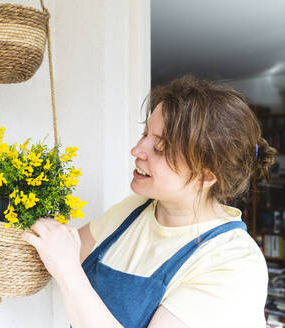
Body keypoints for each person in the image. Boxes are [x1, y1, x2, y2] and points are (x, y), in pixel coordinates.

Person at [22, 75, 278, 328]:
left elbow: (67, 264)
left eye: (161, 147)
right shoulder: (134, 209)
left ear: (206, 174)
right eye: (145, 133)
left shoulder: (233, 265)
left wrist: (69, 273)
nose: (137, 150)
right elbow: (63, 250)